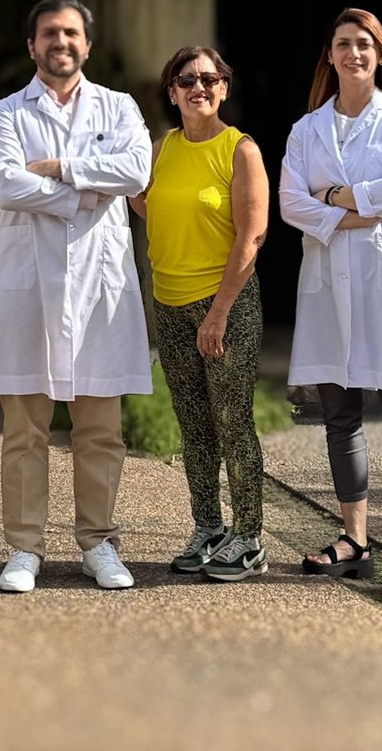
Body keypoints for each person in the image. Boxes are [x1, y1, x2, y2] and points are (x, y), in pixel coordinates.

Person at [0, 0, 153, 594]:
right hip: (29, 289)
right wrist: (87, 190)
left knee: (100, 429)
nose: (61, 42)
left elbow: (136, 173)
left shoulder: (119, 106)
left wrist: (57, 168)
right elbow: (5, 185)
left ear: (87, 44)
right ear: (32, 45)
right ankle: (24, 548)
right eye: (50, 33)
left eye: (71, 33)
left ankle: (98, 543)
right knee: (25, 430)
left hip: (99, 290)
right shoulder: (6, 113)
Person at [278, 8, 382, 605]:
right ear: (329, 55)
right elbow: (290, 204)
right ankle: (354, 540)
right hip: (330, 283)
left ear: (380, 55)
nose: (353, 53)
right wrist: (352, 212)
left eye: (364, 44)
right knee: (340, 414)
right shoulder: (306, 130)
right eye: (343, 44)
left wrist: (329, 198)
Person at [130, 46, 270, 582]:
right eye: (186, 80)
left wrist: (218, 313)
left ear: (224, 88)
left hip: (225, 306)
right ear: (172, 93)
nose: (198, 87)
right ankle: (208, 527)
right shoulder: (161, 148)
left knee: (232, 422)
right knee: (193, 425)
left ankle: (249, 537)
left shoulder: (240, 150)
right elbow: (145, 201)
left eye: (209, 79)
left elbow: (252, 237)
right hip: (168, 304)